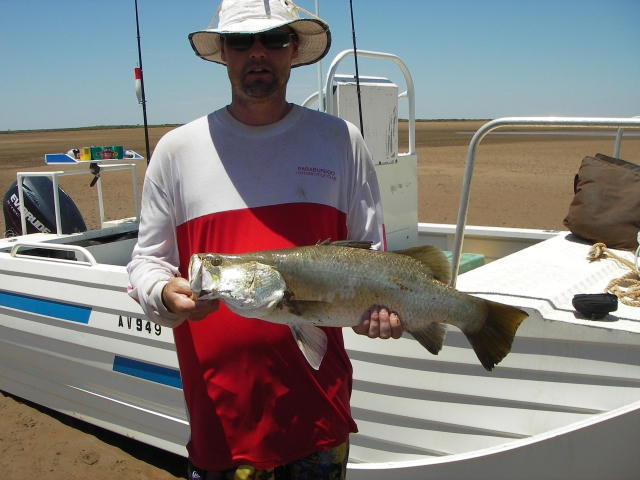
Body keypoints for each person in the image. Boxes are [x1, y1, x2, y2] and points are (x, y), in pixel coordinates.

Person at [127, 0, 401, 478]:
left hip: (320, 415)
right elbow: (146, 262)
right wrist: (164, 294)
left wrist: (377, 311)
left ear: (293, 49)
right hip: (221, 421)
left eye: (273, 39)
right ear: (225, 53)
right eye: (241, 41)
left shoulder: (340, 141)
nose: (258, 52)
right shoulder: (176, 150)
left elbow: (372, 254)